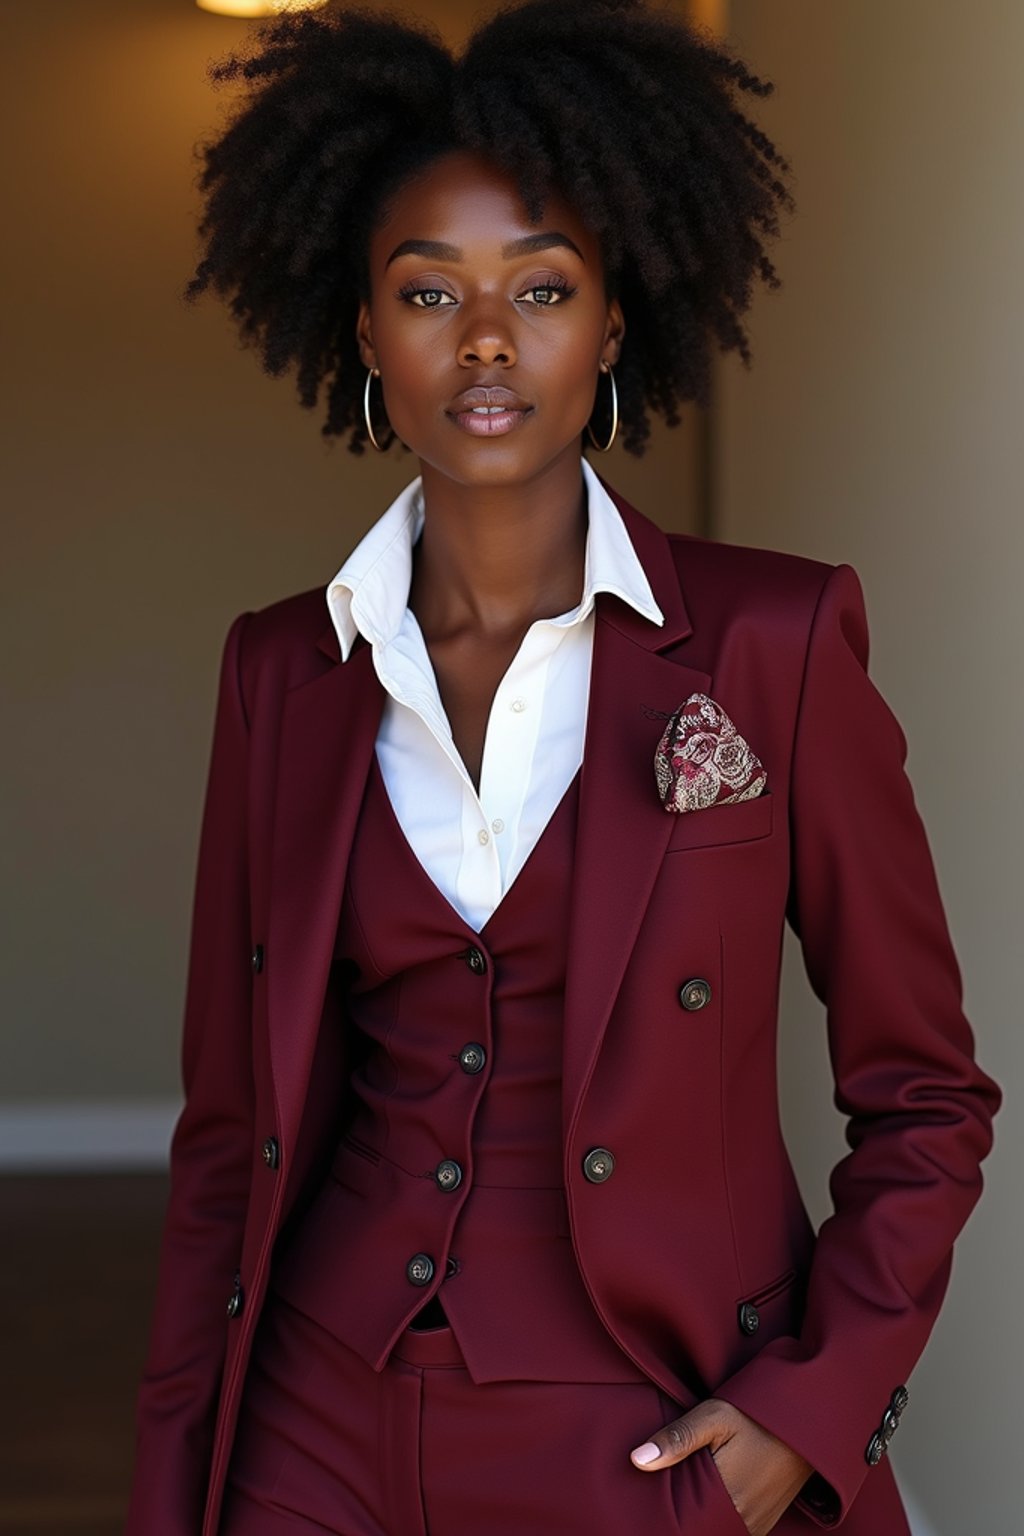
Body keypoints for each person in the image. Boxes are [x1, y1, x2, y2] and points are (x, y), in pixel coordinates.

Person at [124, 3, 1000, 1534]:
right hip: (312, 1422)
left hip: (643, 1437)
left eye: (541, 287)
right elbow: (225, 1138)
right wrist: (174, 1483)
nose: (483, 339)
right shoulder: (280, 671)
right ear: (363, 333)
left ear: (612, 326)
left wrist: (807, 1411)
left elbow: (926, 1096)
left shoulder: (774, 643)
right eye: (425, 291)